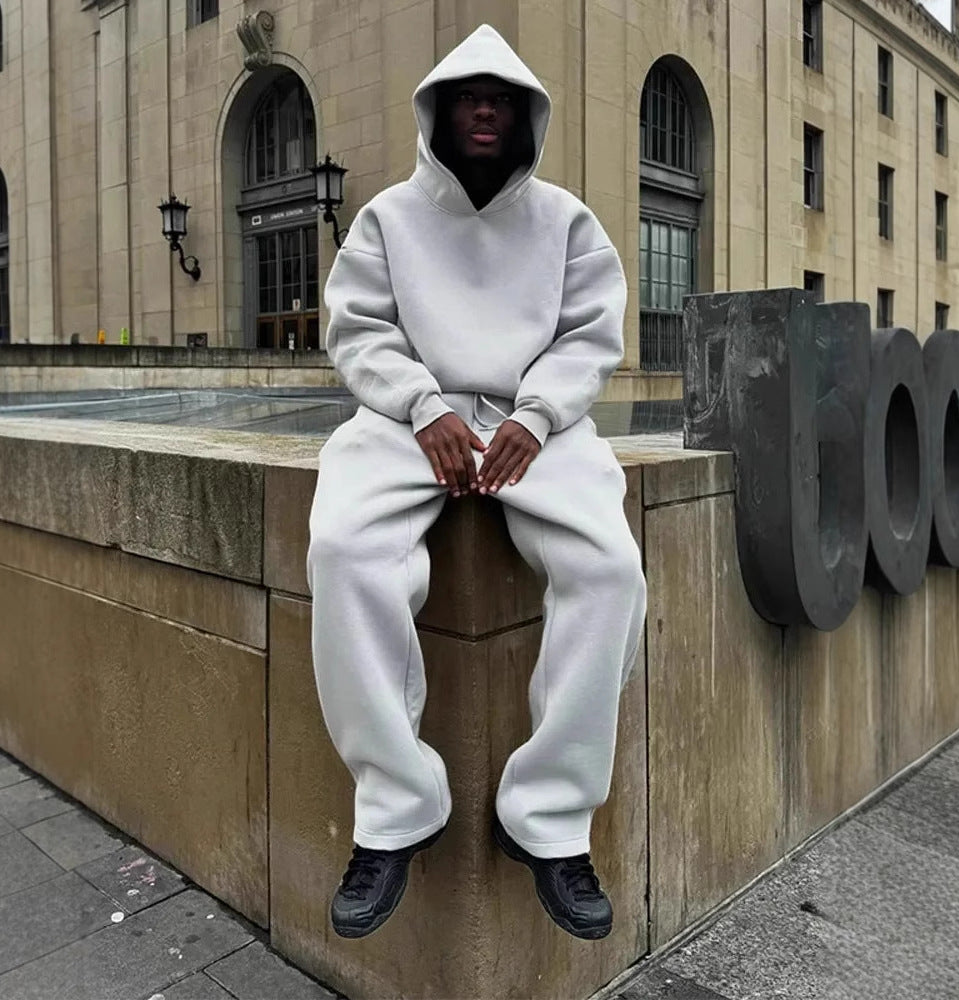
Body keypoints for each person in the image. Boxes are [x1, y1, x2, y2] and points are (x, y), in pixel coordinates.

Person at [307, 23, 647, 941]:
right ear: (440, 113)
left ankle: (550, 820)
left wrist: (536, 416)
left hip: (534, 423)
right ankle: (395, 810)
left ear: (526, 113)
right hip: (406, 420)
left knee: (611, 569)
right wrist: (422, 405)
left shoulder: (567, 221)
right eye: (469, 98)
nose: (486, 111)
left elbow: (589, 337)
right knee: (344, 550)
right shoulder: (387, 218)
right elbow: (358, 331)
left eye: (500, 99)